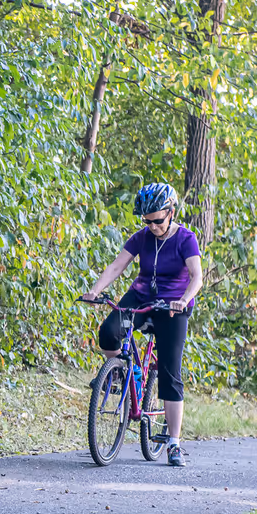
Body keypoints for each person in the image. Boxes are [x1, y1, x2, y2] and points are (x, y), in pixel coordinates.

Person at [86, 180, 204, 467]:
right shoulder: (141, 237)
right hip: (140, 296)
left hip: (173, 307)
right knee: (108, 332)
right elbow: (118, 265)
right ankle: (121, 376)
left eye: (157, 221)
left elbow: (197, 276)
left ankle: (174, 443)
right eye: (147, 222)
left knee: (169, 372)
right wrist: (95, 291)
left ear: (171, 212)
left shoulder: (185, 239)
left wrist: (184, 299)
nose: (152, 226)